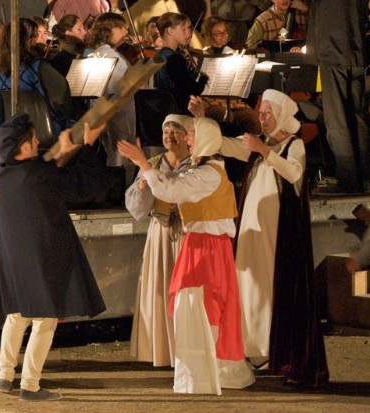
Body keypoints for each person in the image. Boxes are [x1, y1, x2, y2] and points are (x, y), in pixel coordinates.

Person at [192, 90, 329, 387]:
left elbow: (294, 174)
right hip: (252, 235)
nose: (261, 118)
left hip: (279, 237)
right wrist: (202, 120)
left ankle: (279, 353)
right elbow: (225, 145)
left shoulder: (293, 145)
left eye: (267, 113)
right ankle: (255, 349)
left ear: (280, 115)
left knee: (275, 291)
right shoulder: (259, 145)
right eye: (260, 113)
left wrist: (265, 151)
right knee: (251, 291)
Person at [118, 118, 255, 395]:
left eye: (191, 134)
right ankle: (200, 374)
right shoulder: (203, 170)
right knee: (194, 310)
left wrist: (143, 163)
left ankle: (205, 375)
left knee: (201, 310)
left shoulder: (209, 174)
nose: (187, 139)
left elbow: (172, 190)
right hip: (199, 245)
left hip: (207, 249)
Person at [246, 0, 370, 193]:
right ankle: (365, 176)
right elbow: (341, 6)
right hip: (357, 56)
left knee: (337, 121)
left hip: (332, 57)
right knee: (358, 118)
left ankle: (348, 182)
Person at [0, 114, 108, 401]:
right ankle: (29, 385)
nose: (37, 142)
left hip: (16, 260)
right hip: (40, 258)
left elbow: (45, 172)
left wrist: (66, 151)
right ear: (23, 147)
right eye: (33, 140)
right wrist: (89, 147)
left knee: (17, 315)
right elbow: (87, 186)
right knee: (45, 319)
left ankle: (5, 376)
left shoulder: (6, 176)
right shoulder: (37, 176)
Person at [124, 115, 191, 367]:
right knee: (161, 290)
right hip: (161, 233)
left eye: (175, 131)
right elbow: (136, 209)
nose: (169, 136)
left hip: (187, 234)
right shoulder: (152, 163)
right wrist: (143, 183)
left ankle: (187, 348)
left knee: (185, 293)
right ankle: (164, 351)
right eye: (166, 131)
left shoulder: (196, 164)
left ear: (187, 135)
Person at [0, 17, 74, 136]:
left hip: (13, 133)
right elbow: (62, 96)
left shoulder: (0, 72)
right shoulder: (38, 67)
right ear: (28, 40)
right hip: (46, 131)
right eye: (35, 36)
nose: (37, 41)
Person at [88, 13, 136, 178]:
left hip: (100, 115)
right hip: (118, 115)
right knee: (120, 160)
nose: (126, 31)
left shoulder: (93, 54)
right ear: (107, 30)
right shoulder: (114, 58)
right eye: (121, 28)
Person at [154, 12, 207, 117]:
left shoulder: (158, 55)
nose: (189, 33)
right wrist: (204, 77)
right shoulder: (175, 58)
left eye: (189, 28)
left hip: (164, 112)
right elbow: (192, 90)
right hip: (181, 114)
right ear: (170, 31)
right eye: (184, 29)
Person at [244, 0, 308, 50]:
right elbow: (250, 46)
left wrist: (306, 9)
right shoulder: (262, 20)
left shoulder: (300, 13)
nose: (285, 0)